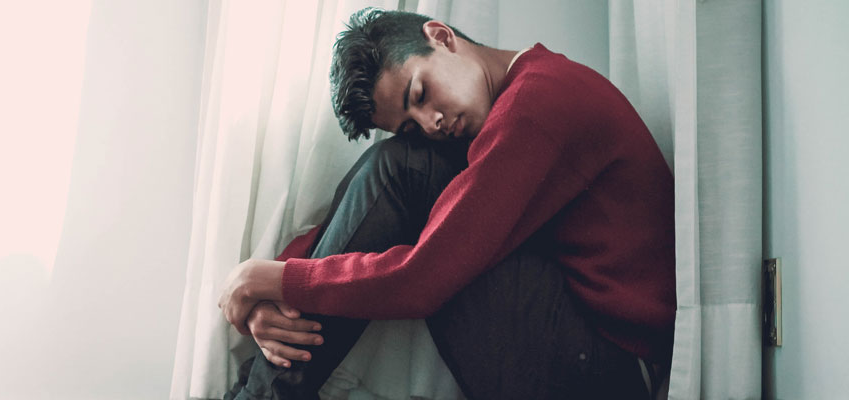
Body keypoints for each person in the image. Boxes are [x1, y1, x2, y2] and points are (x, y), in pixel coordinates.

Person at [218, 7, 676, 400]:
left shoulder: (538, 104)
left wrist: (275, 279)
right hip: (581, 346)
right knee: (398, 162)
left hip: (611, 368)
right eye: (411, 124)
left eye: (420, 94)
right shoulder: (506, 113)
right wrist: (271, 288)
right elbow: (370, 216)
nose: (431, 122)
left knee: (403, 168)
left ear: (441, 37)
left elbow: (423, 279)